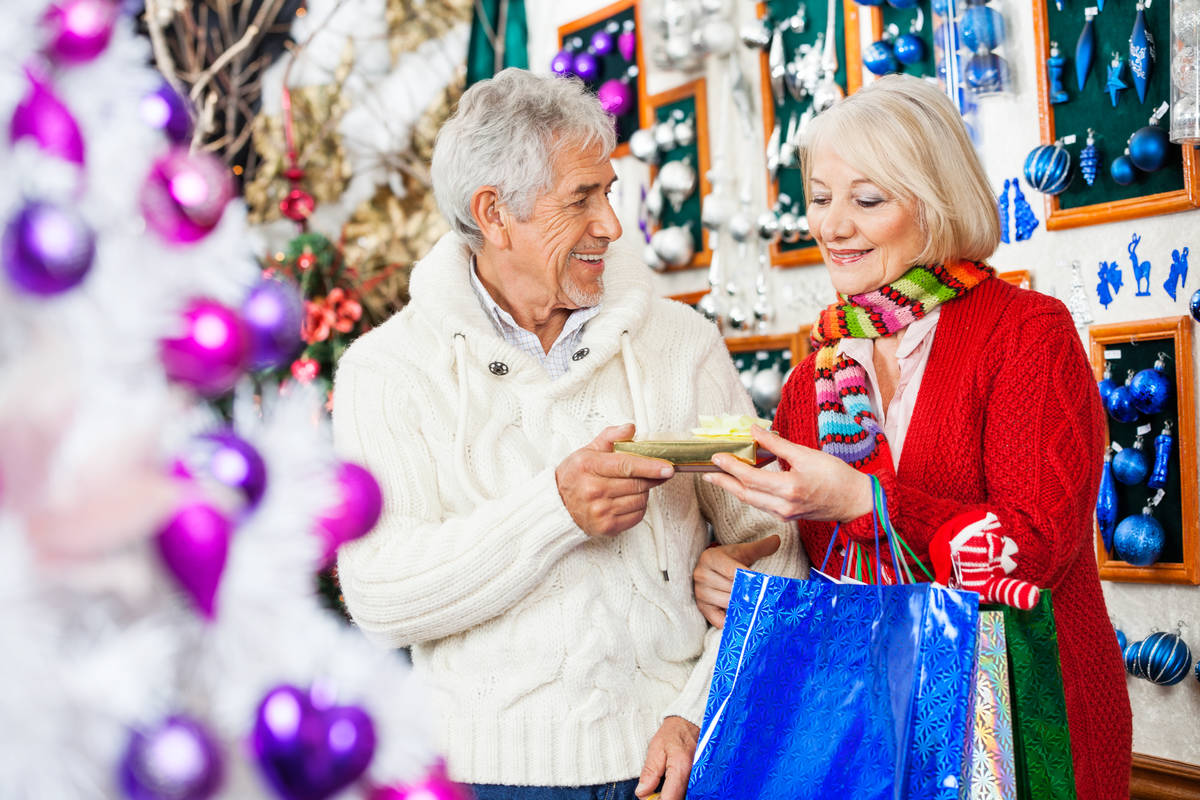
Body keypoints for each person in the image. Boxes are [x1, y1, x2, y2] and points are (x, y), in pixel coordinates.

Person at [331, 68, 803, 800]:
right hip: (486, 782)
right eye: (581, 199)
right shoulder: (386, 372)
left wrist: (695, 713)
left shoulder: (682, 345)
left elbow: (776, 549)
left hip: (679, 763)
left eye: (608, 192)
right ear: (494, 213)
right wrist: (556, 511)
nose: (612, 225)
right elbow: (381, 598)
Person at [692, 74, 1131, 800]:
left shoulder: (1028, 333)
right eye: (821, 197)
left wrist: (868, 503)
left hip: (1023, 724)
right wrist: (742, 578)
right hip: (876, 735)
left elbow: (1038, 546)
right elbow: (829, 574)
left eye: (867, 200)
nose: (832, 227)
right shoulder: (816, 375)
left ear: (936, 202)